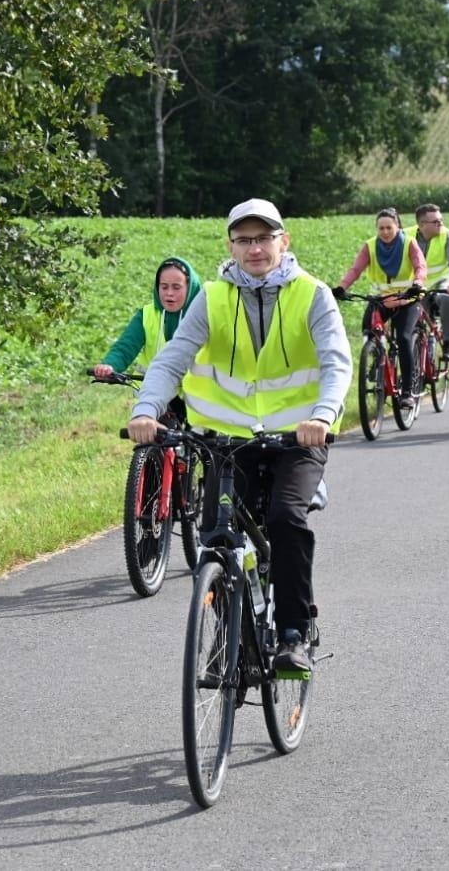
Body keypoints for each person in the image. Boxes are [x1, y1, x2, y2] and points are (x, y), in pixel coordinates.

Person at [128, 199, 350, 675]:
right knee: (217, 539)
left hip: (297, 438)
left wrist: (323, 416)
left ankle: (294, 632)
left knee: (286, 518)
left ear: (283, 242)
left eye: (264, 238)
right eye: (244, 240)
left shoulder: (311, 295)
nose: (254, 248)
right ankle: (230, 640)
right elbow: (172, 359)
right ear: (230, 245)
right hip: (227, 442)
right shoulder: (212, 297)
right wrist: (146, 410)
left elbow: (336, 363)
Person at [334, 207, 427, 411]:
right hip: (382, 300)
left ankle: (407, 392)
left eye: (389, 227)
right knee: (368, 329)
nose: (385, 232)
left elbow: (420, 266)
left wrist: (418, 283)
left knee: (403, 338)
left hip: (407, 299)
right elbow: (356, 269)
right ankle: (376, 357)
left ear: (397, 227)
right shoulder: (370, 246)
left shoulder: (409, 243)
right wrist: (342, 287)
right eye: (381, 228)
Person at [92, 257, 203, 421]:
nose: (169, 293)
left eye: (176, 287)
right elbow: (125, 347)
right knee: (150, 440)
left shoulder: (204, 316)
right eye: (164, 287)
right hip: (155, 394)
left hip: (197, 397)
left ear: (190, 287)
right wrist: (110, 365)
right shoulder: (146, 316)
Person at [412, 203, 449, 362]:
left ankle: (448, 343)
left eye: (441, 220)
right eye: (435, 222)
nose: (440, 224)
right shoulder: (407, 236)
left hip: (442, 282)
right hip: (417, 284)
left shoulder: (447, 235)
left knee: (448, 299)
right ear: (422, 225)